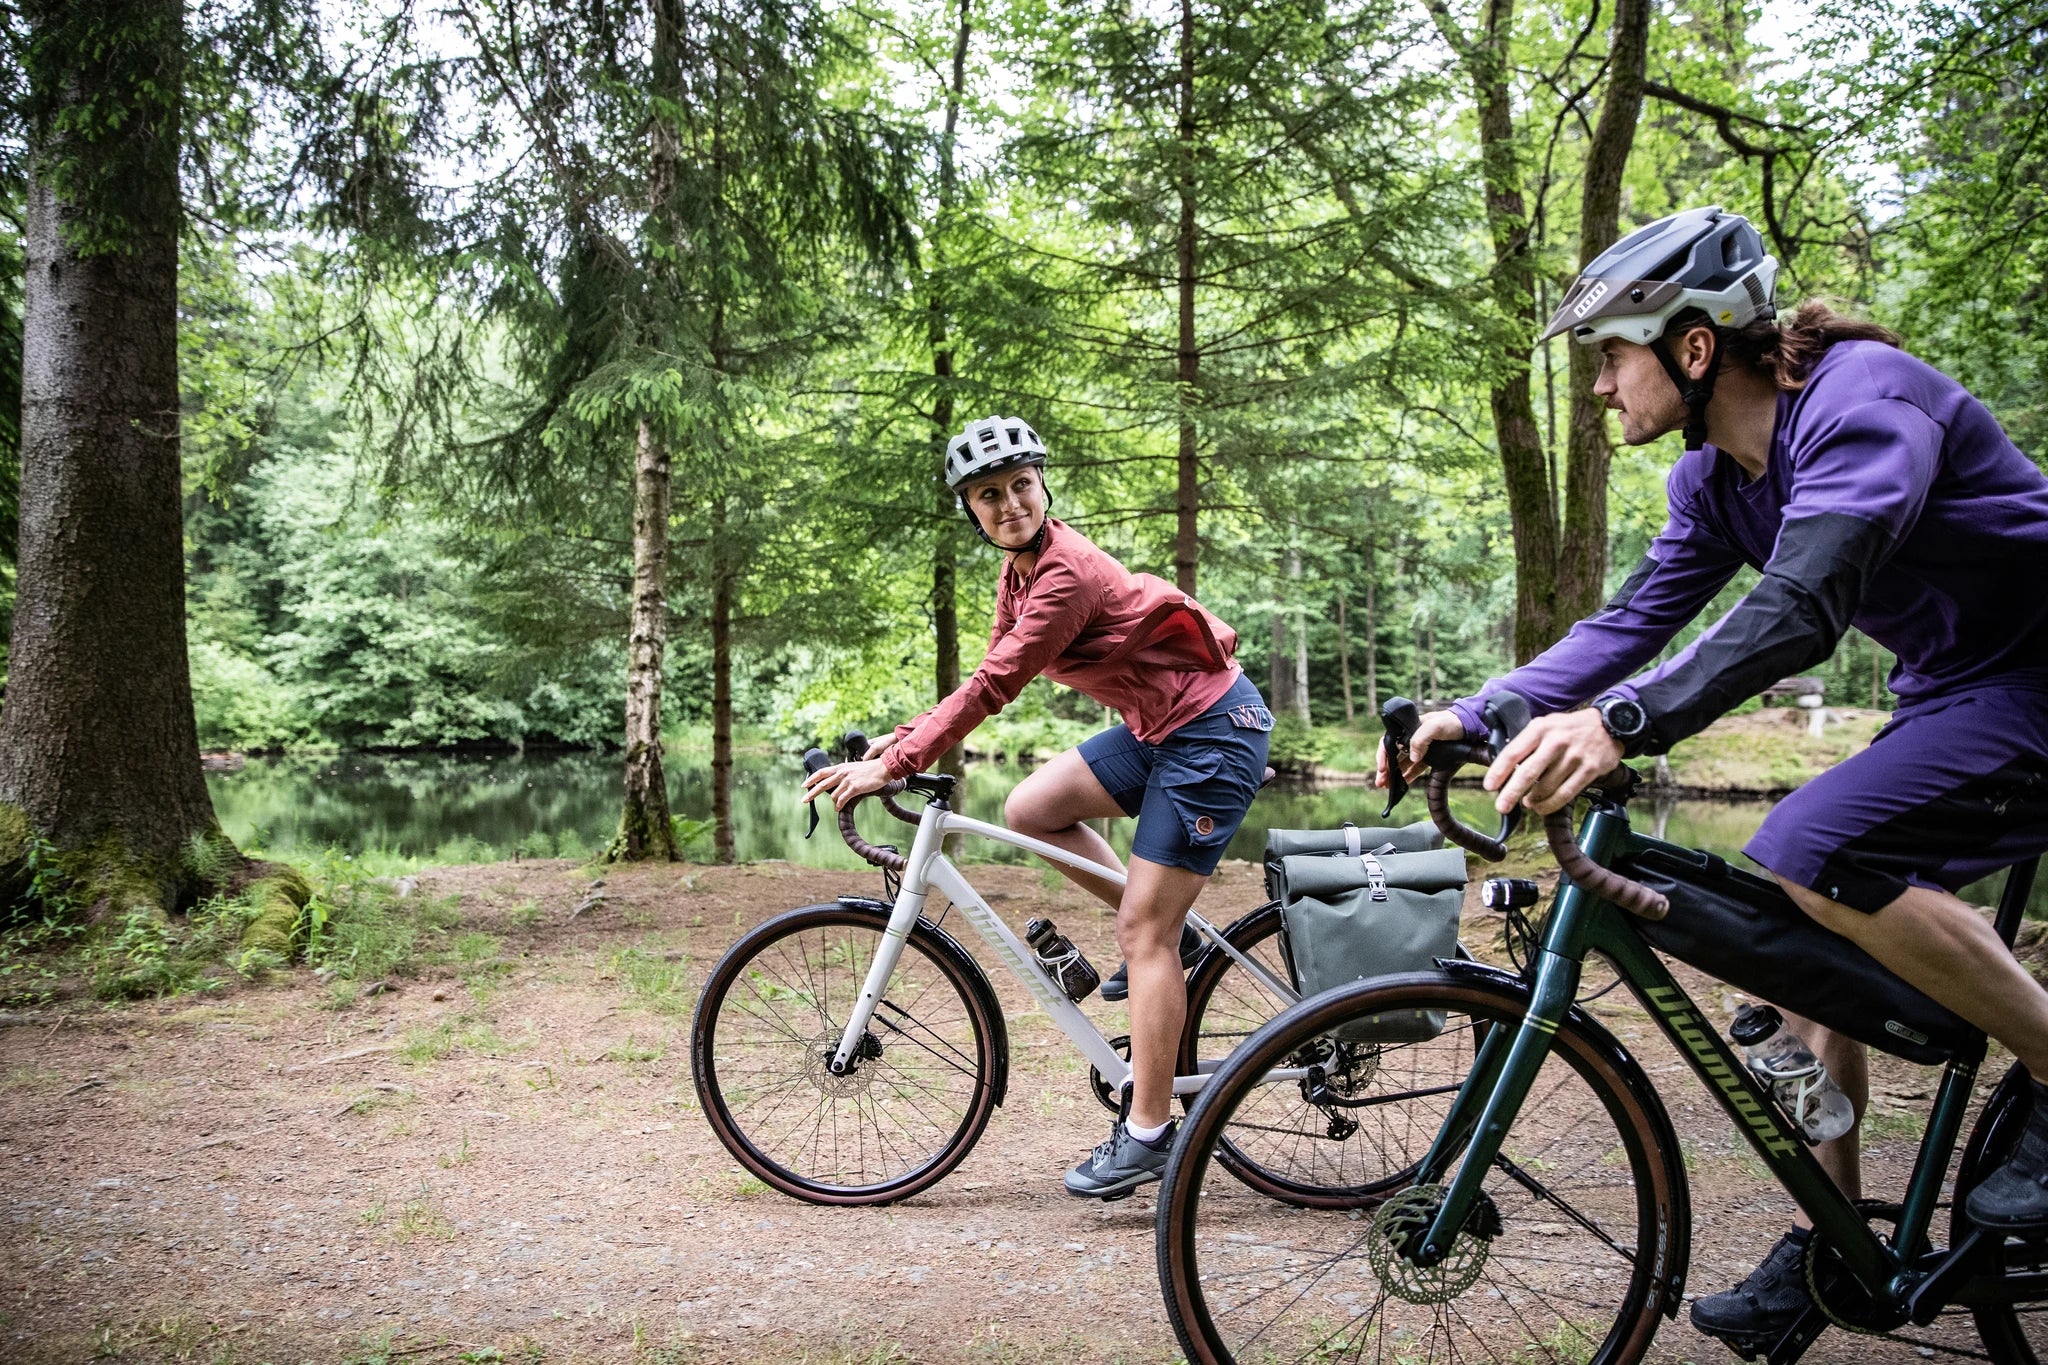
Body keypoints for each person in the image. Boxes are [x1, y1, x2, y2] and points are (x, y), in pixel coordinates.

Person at [1377, 205, 2048, 1357]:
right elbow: (1631, 623)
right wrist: (1478, 713)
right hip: (1953, 695)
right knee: (1805, 935)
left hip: (2035, 684)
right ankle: (1839, 1243)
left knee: (1810, 848)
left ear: (1692, 347)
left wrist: (1622, 726)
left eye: (1609, 355)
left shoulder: (1863, 403)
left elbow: (1800, 606)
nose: (1596, 388)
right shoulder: (1715, 483)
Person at [802, 415, 1272, 1199]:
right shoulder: (1018, 572)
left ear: (1043, 485)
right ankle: (1174, 938)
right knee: (1031, 807)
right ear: (972, 511)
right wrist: (894, 744)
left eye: (1021, 485)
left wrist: (899, 762)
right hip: (1159, 727)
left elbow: (995, 687)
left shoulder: (1066, 574)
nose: (1010, 503)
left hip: (1213, 731)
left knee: (1140, 931)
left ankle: (1152, 1130)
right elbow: (988, 668)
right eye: (990, 495)